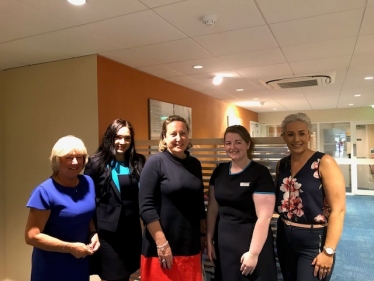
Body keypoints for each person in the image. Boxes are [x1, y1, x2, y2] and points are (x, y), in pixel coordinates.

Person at [275, 113, 346, 281]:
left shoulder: (324, 162)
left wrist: (328, 251)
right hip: (284, 237)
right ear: (284, 136)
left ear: (309, 135)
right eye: (290, 134)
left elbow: (339, 209)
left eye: (301, 133)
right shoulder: (282, 164)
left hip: (313, 241)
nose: (296, 139)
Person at [139, 115, 206, 281]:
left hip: (190, 245)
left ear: (188, 136)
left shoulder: (194, 164)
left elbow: (198, 204)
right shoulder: (155, 162)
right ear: (164, 137)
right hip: (162, 246)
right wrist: (162, 244)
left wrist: (203, 235)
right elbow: (146, 207)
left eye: (182, 133)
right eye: (173, 134)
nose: (178, 138)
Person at [206, 125, 278, 281]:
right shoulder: (219, 171)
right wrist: (209, 240)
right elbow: (212, 208)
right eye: (228, 143)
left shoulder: (260, 173)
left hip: (251, 243)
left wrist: (253, 253)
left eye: (238, 142)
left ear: (248, 144)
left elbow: (264, 217)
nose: (232, 147)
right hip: (224, 243)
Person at [25, 135, 99, 281]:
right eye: (68, 157)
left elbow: (86, 214)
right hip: (51, 266)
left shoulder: (88, 182)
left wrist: (93, 233)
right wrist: (70, 247)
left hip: (79, 262)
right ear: (57, 160)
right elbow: (31, 236)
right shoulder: (44, 191)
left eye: (80, 157)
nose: (75, 162)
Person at [84, 119, 146, 281]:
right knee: (112, 275)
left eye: (127, 138)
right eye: (118, 137)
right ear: (110, 137)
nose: (122, 142)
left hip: (131, 232)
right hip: (107, 234)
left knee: (126, 274)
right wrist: (92, 232)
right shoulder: (95, 163)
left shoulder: (138, 161)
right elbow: (88, 200)